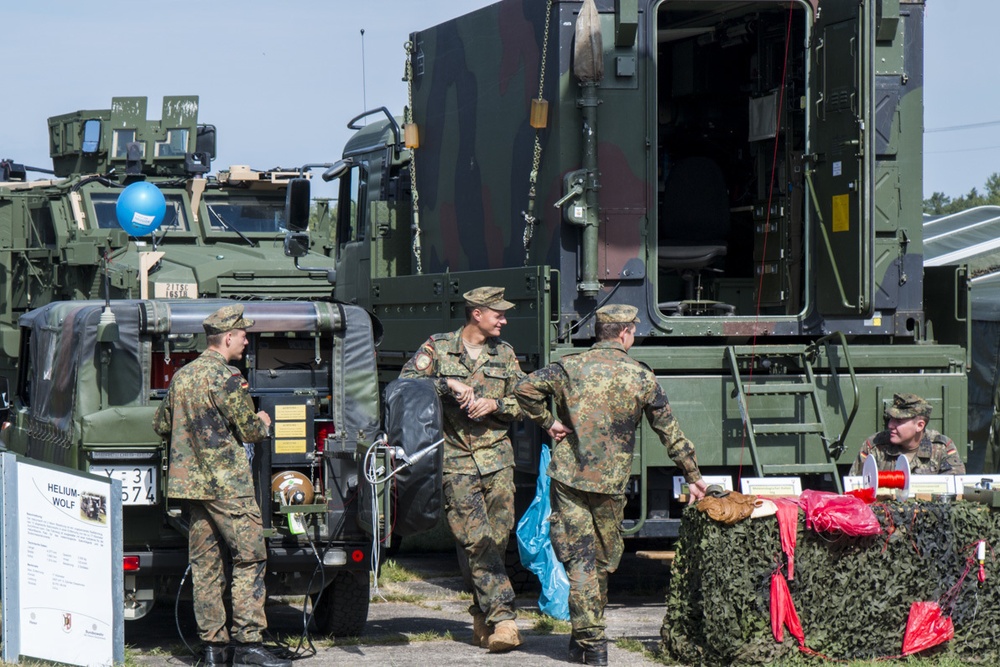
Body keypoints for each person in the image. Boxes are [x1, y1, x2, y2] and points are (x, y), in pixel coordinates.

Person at [513, 304, 708, 666]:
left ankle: (584, 636)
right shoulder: (641, 376)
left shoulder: (569, 367)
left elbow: (523, 387)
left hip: (569, 479)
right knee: (599, 562)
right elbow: (670, 432)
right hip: (611, 485)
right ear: (625, 333)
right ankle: (593, 641)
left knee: (581, 562)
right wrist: (693, 477)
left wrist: (548, 422)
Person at [152, 304, 289, 667]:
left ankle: (213, 649)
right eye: (243, 335)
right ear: (227, 337)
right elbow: (250, 430)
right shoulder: (227, 378)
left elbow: (161, 425)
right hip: (229, 486)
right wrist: (262, 419)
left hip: (193, 490)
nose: (246, 341)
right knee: (251, 557)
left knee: (207, 566)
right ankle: (248, 645)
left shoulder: (183, 376)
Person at [399, 286, 526, 653]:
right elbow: (406, 384)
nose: (504, 319)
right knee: (477, 541)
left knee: (495, 543)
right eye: (497, 314)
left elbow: (524, 402)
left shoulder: (505, 353)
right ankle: (504, 620)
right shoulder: (438, 347)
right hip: (455, 464)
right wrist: (445, 383)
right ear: (476, 314)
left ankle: (480, 616)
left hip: (498, 463)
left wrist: (495, 403)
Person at [849, 392, 965, 475]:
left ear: (919, 425)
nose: (890, 425)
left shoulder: (941, 448)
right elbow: (855, 487)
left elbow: (955, 490)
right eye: (890, 419)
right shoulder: (875, 446)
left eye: (898, 421)